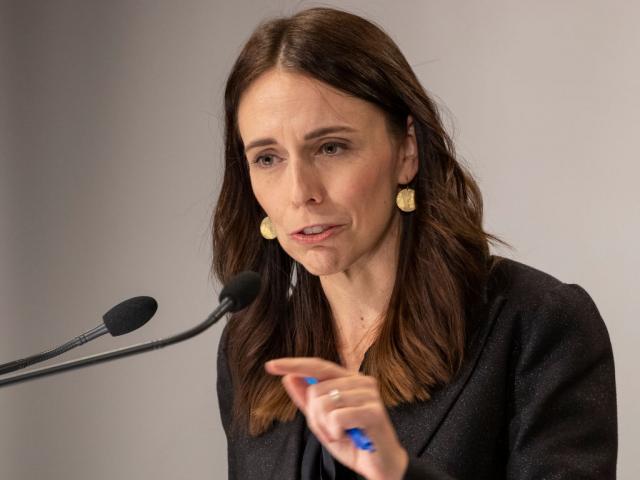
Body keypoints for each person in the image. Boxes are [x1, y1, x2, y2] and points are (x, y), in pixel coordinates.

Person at [212, 7, 617, 480]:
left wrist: (399, 472)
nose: (300, 192)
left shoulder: (536, 326)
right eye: (267, 158)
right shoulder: (254, 348)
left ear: (406, 151)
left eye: (331, 147)